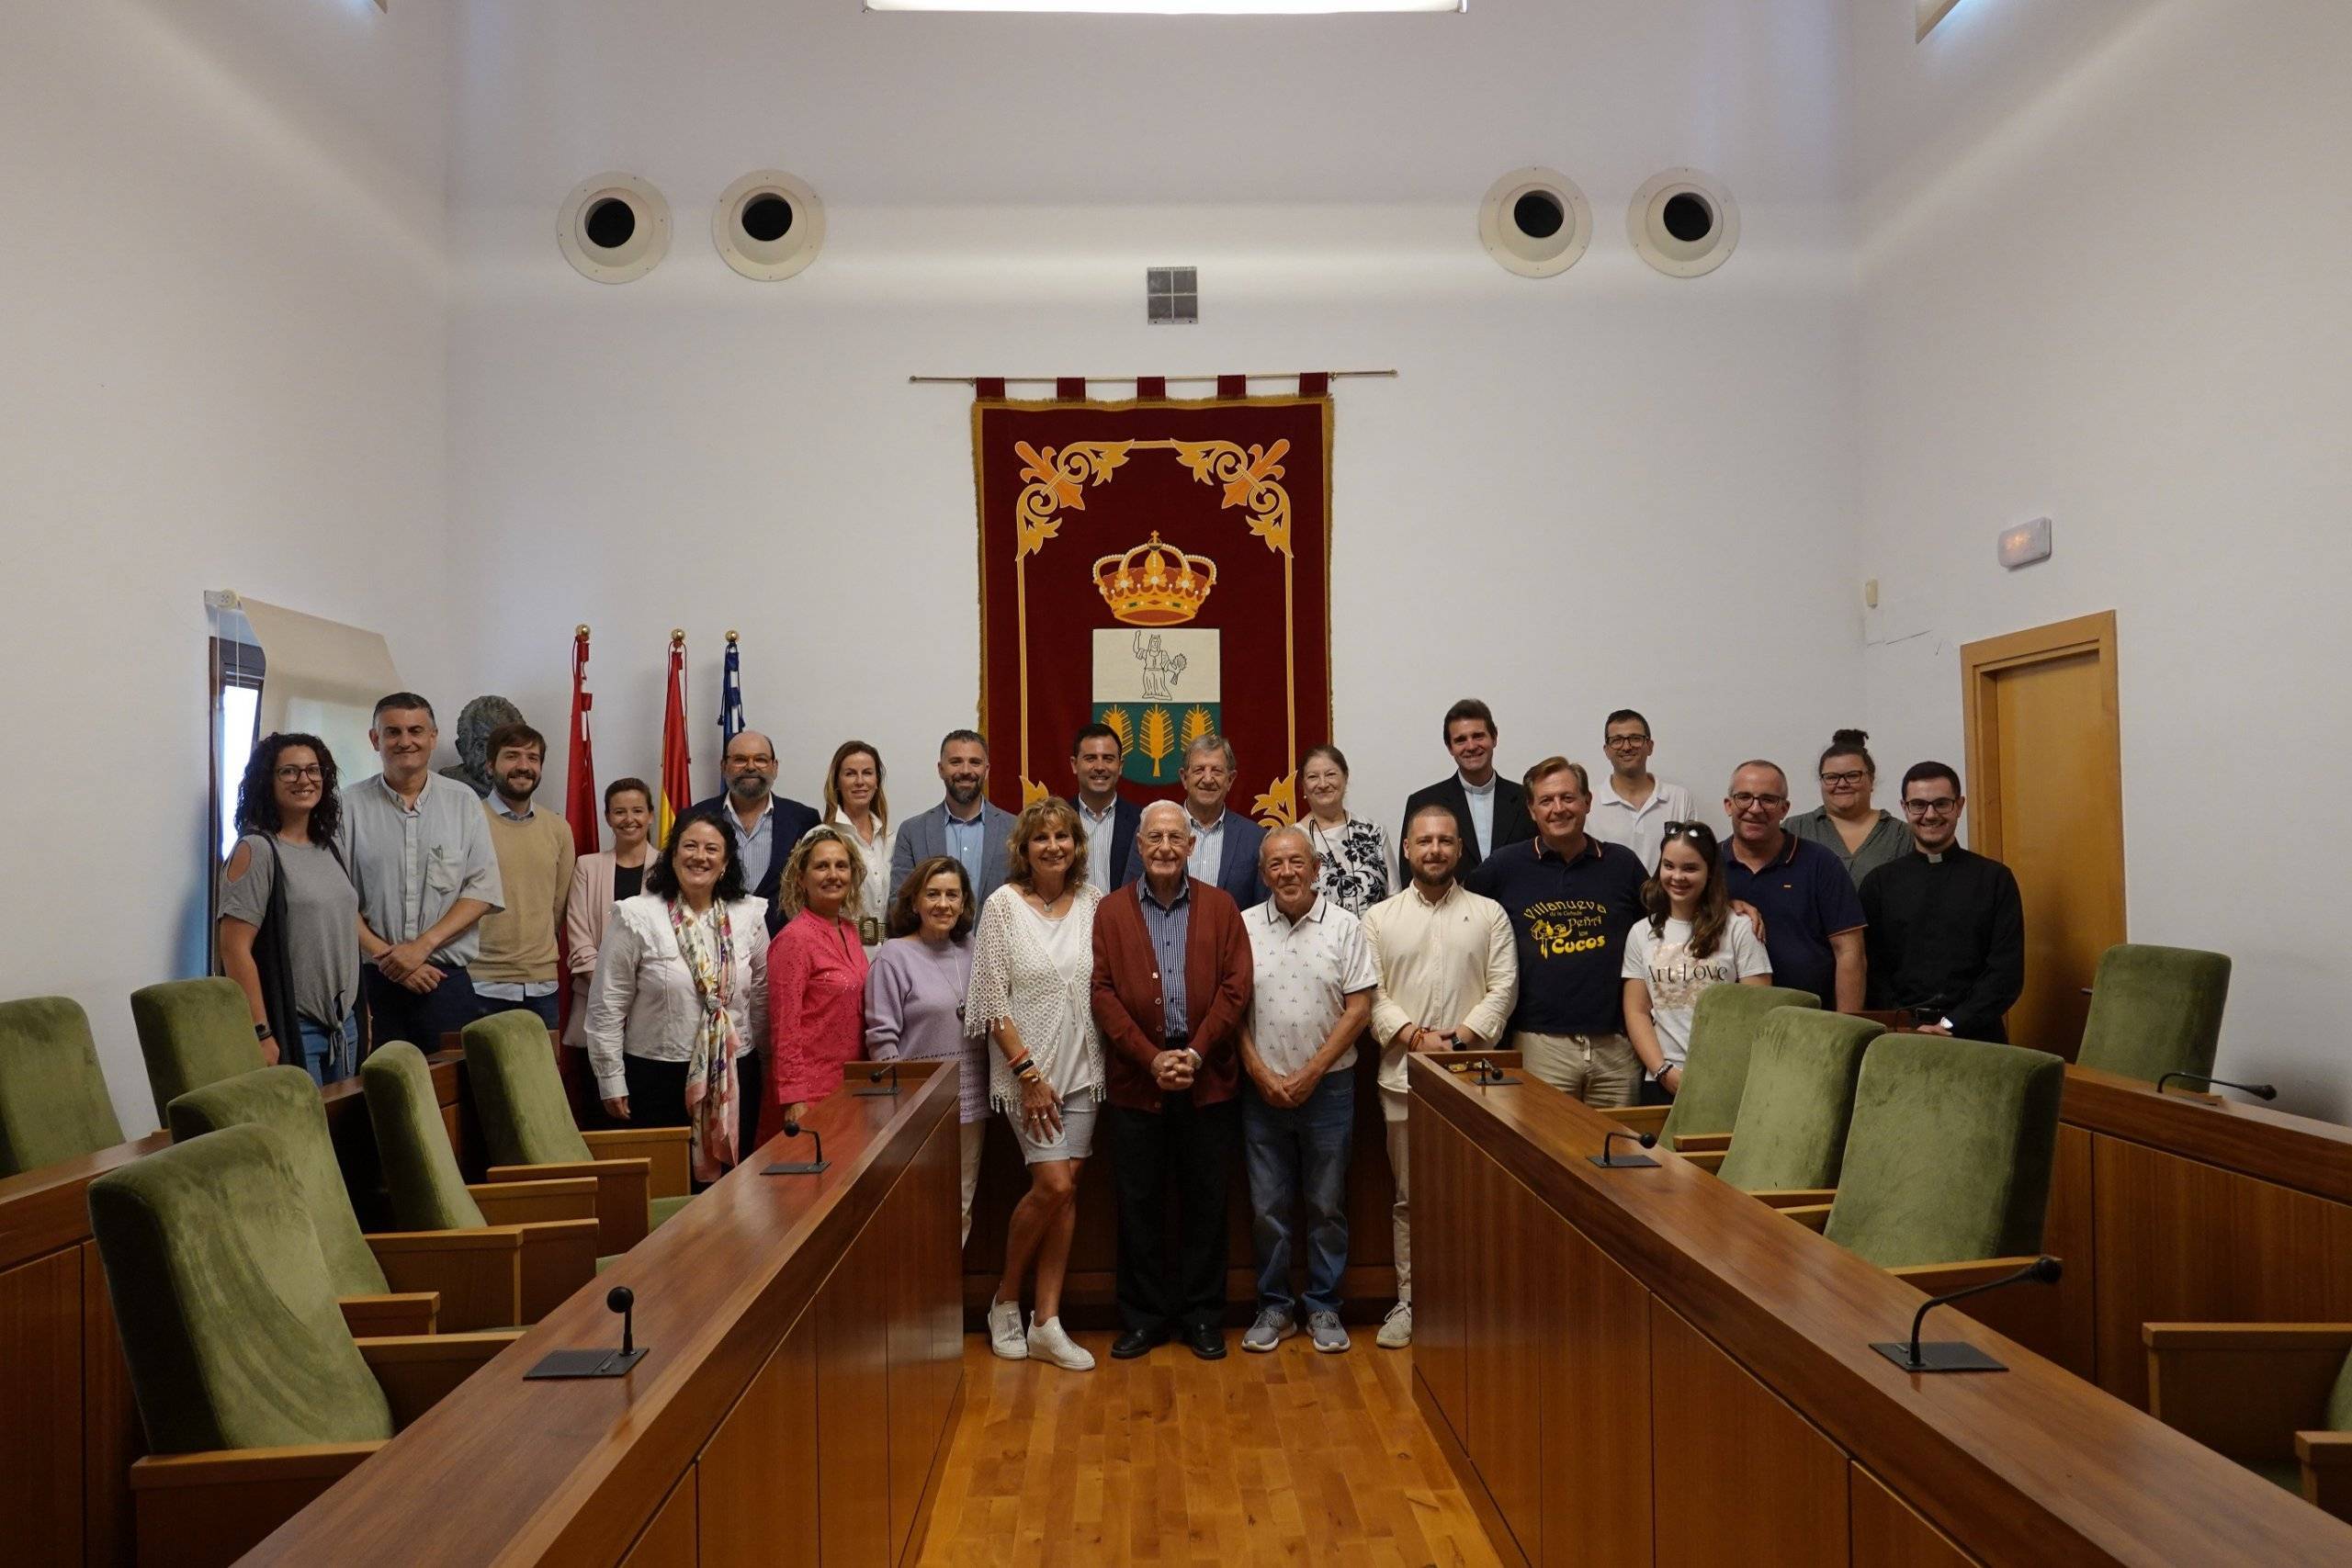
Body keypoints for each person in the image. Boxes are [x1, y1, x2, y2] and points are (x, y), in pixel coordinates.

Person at [1093, 800, 1253, 1360]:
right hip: (1138, 1081)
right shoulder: (1111, 912)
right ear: (1139, 847)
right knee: (1138, 1204)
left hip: (1206, 1076)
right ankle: (1144, 1318)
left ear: (1190, 846)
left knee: (1206, 1203)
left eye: (1174, 838)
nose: (1164, 847)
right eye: (1154, 838)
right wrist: (1148, 1057)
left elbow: (1236, 987)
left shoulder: (1222, 906)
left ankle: (1203, 1317)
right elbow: (1103, 993)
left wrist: (1194, 1051)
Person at [1361, 802, 1517, 1348]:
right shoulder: (1378, 919)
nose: (1434, 850)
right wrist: (1412, 1037)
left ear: (1458, 850)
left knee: (1475, 1196)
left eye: (1445, 841)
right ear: (1406, 849)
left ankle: (1472, 1302)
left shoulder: (1490, 914)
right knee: (1410, 1198)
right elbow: (1371, 993)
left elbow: (1504, 987)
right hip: (1402, 1079)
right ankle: (1411, 1301)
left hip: (1475, 1079)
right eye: (1424, 841)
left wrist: (1460, 1039)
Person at [967, 798, 1105, 1372]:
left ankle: (1046, 1321)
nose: (1054, 846)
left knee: (1067, 1191)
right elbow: (990, 999)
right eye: (1041, 838)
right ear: (1023, 849)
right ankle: (1004, 1301)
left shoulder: (1094, 903)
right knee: (1051, 1185)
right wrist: (1028, 1076)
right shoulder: (1002, 906)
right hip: (1030, 1077)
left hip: (1084, 1072)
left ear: (1076, 846)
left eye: (1063, 837)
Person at [1238, 828, 1376, 1355]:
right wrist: (1260, 1072)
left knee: (1326, 1204)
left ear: (1316, 868)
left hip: (1331, 1089)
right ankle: (1274, 1307)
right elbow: (1231, 1012)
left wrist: (1311, 1073)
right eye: (1275, 865)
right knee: (1266, 1207)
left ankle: (1323, 1307)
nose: (1286, 873)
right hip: (1261, 1092)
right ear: (1263, 873)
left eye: (1296, 862)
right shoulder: (1245, 926)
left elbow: (1359, 1008)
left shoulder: (1346, 927)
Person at [584, 808, 768, 1181]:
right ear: (672, 855)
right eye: (689, 846)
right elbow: (607, 1005)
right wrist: (611, 1079)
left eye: (711, 849)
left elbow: (761, 994)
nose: (700, 856)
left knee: (733, 1189)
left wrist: (765, 1062)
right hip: (656, 1077)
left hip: (734, 1072)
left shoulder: (748, 913)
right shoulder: (637, 915)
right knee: (670, 1191)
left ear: (726, 861)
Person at [1464, 759, 1649, 1106]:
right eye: (1547, 801)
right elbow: (1457, 910)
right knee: (1544, 1153)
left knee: (1621, 1152)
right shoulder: (1505, 867)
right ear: (1532, 810)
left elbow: (1673, 918)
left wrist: (1733, 905)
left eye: (1568, 798)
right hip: (1540, 1044)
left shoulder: (1622, 864)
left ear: (1587, 802)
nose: (1558, 809)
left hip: (1617, 1045)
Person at [340, 693, 504, 1052]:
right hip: (371, 984)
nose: (405, 741)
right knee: (374, 1097)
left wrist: (420, 948)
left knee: (451, 1099)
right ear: (375, 739)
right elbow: (338, 898)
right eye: (392, 732)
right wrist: (391, 958)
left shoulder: (464, 803)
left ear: (433, 737)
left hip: (445, 981)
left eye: (416, 730)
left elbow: (482, 890)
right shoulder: (346, 807)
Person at [218, 733, 361, 1085]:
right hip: (292, 1029)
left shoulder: (329, 848)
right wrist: (260, 1034)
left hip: (344, 1028)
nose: (304, 780)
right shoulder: (257, 850)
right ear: (268, 781)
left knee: (341, 1137)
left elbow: (342, 930)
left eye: (314, 770)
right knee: (301, 1137)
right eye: (289, 772)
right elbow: (234, 949)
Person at [865, 856, 985, 1243]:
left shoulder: (974, 950)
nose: (943, 904)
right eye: (932, 894)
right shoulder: (893, 956)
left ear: (965, 903)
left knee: (961, 1204)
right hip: (916, 1107)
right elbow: (882, 1040)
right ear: (914, 901)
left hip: (971, 1103)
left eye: (953, 895)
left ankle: (947, 1301)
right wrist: (896, 1108)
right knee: (917, 1208)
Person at [1860, 762, 2027, 1041]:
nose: (1930, 815)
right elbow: (1872, 969)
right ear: (1904, 808)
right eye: (1918, 805)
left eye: (1941, 804)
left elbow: (2005, 973)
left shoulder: (1995, 879)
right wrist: (1906, 1024)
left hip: (1977, 1034)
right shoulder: (1879, 883)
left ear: (1960, 806)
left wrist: (1951, 1024)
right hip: (1900, 1035)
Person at [1621, 821, 1772, 1102]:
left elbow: (1758, 1012)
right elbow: (1637, 1011)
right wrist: (1663, 1070)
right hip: (1662, 1079)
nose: (1677, 876)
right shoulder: (1641, 933)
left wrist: (1720, 1071)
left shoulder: (1739, 928)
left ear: (1710, 872)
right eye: (1669, 866)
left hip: (1727, 1078)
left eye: (1690, 868)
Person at [1718, 761, 1866, 1010]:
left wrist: (1847, 1029)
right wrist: (1723, 906)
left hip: (1809, 1023)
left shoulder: (1821, 863)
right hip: (1729, 1021)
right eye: (1744, 797)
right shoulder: (1705, 863)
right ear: (1728, 805)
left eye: (1768, 800)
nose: (1755, 809)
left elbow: (1850, 952)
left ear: (1785, 808)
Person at [765, 826, 870, 1129]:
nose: (833, 875)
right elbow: (783, 1028)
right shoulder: (794, 940)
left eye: (841, 866)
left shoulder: (850, 930)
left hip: (850, 1086)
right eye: (821, 866)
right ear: (801, 877)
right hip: (810, 1095)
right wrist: (794, 1098)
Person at [471, 723, 575, 1030]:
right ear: (491, 765)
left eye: (532, 758)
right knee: (479, 1079)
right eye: (512, 756)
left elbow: (558, 906)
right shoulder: (468, 821)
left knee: (539, 1079)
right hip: (481, 984)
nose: (523, 766)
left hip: (541, 986)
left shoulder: (558, 829)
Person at [562, 777, 656, 1050]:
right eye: (620, 811)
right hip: (596, 1002)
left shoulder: (669, 868)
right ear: (608, 817)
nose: (629, 819)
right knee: (600, 1091)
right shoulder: (587, 867)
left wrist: (642, 992)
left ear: (650, 815)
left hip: (654, 1007)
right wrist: (612, 991)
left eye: (638, 810)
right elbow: (579, 939)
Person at [1122, 733, 1266, 908]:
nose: (1207, 779)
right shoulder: (1152, 830)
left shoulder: (1255, 838)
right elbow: (1130, 898)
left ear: (1230, 780)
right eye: (1199, 770)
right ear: (1184, 777)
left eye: (1217, 771)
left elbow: (1262, 910)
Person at [692, 729, 820, 926]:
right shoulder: (694, 818)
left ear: (774, 767)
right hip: (713, 940)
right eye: (740, 759)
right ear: (724, 766)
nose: (750, 767)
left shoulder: (804, 819)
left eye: (760, 760)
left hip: (785, 942)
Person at [1397, 697, 1533, 879]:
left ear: (1494, 737)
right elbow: (1411, 876)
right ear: (1450, 747)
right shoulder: (1423, 802)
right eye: (1461, 740)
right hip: (1450, 907)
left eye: (1478, 736)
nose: (1471, 746)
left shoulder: (1527, 798)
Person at [891, 729, 1018, 907]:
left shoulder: (1015, 828)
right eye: (956, 762)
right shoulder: (912, 832)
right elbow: (899, 902)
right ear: (941, 769)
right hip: (930, 936)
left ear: (986, 770)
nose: (966, 771)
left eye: (975, 762)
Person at [1787, 728, 1910, 889]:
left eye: (1852, 775)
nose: (1842, 784)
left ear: (1871, 780)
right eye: (1831, 777)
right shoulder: (1794, 830)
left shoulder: (1902, 835)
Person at [1585, 709, 1696, 871]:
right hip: (1608, 896)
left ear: (1650, 746)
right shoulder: (1589, 802)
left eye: (1635, 739)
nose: (1627, 747)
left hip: (1667, 896)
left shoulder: (1679, 798)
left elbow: (1692, 857)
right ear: (1606, 750)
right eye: (1617, 740)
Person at [1297, 743, 1394, 916]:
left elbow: (1395, 897)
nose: (1323, 783)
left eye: (1331, 774)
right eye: (1313, 777)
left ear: (1345, 777)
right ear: (1303, 786)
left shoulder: (1373, 832)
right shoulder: (1295, 839)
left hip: (1376, 939)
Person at [821, 739, 896, 952]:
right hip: (838, 950)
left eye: (868, 773)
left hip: (887, 955)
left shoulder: (892, 840)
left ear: (877, 781)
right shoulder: (823, 838)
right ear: (837, 782)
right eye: (850, 773)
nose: (860, 781)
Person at [1070, 721, 1141, 895]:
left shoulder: (1142, 821)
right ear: (1074, 764)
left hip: (1124, 921)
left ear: (1120, 766)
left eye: (1108, 759)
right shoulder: (1057, 821)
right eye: (1090, 758)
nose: (1100, 767)